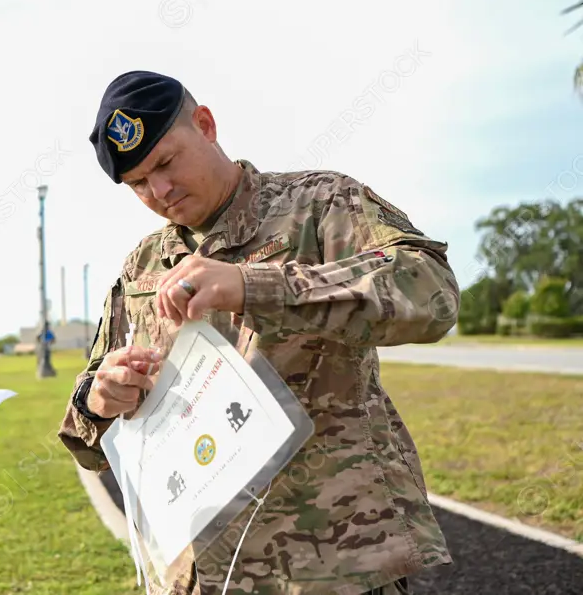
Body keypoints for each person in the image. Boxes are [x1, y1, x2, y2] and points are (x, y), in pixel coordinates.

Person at [57, 70, 460, 595]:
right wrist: (100, 397)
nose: (160, 190)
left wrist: (256, 286)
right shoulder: (143, 266)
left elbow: (432, 292)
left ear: (205, 125)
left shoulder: (318, 204)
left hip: (333, 563)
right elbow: (87, 426)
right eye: (138, 183)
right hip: (203, 576)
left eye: (165, 162)